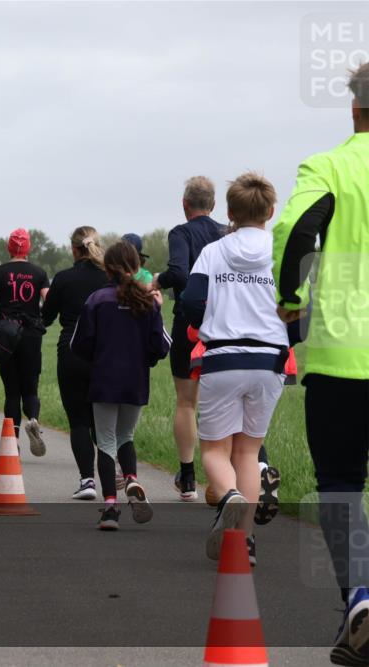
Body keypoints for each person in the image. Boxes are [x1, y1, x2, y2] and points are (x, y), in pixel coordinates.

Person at [272, 62, 369, 666]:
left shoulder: (331, 165)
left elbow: (295, 227)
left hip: (340, 356)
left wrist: (292, 302)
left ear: (354, 109)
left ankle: (359, 597)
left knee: (340, 485)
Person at [181, 172, 286, 567]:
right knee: (248, 451)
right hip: (269, 360)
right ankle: (246, 542)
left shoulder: (214, 251)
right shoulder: (280, 251)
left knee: (214, 450)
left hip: (223, 357)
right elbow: (298, 310)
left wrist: (211, 318)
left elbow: (192, 302)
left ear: (229, 212)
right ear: (271, 212)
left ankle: (231, 499)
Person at [71, 241, 170, 530]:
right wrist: (146, 360)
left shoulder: (97, 300)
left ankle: (111, 509)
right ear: (137, 266)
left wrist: (97, 359)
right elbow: (162, 345)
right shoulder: (148, 301)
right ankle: (131, 479)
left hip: (103, 379)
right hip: (135, 381)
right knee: (126, 435)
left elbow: (79, 343)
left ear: (107, 268)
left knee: (106, 441)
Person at [152, 176, 226, 501]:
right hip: (226, 324)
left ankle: (186, 477)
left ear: (185, 205)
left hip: (189, 324)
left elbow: (179, 273)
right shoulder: (227, 233)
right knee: (224, 403)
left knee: (186, 402)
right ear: (213, 205)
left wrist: (158, 279)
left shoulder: (181, 233)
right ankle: (224, 478)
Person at [42, 226, 109, 500]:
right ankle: (115, 479)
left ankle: (87, 481)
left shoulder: (64, 278)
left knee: (79, 421)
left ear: (73, 249)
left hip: (71, 352)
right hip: (105, 354)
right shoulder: (110, 277)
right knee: (104, 423)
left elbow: (46, 318)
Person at [0, 228, 50, 453]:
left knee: (11, 391)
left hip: (6, 336)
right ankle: (33, 419)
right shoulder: (39, 272)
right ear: (29, 248)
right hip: (31, 335)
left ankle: (14, 441)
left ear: (9, 247)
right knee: (30, 388)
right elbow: (48, 302)